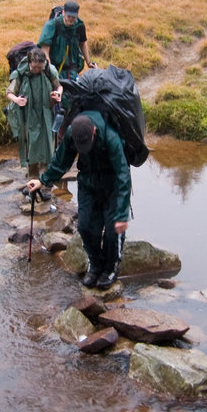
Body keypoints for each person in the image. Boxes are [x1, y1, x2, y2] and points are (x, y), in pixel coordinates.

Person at [26, 111, 131, 290]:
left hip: (112, 185)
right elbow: (61, 161)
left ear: (94, 131)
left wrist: (122, 214)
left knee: (113, 231)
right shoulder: (71, 133)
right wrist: (42, 180)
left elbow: (123, 175)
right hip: (88, 183)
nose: (84, 147)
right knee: (85, 226)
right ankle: (96, 265)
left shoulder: (111, 138)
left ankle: (111, 268)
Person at [6, 47, 63, 178]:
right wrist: (17, 100)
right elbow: (9, 92)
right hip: (28, 116)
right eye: (34, 68)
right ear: (29, 63)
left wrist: (58, 94)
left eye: (40, 68)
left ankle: (46, 180)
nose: (37, 70)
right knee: (30, 147)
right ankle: (32, 178)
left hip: (46, 115)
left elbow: (58, 86)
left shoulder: (49, 71)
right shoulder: (21, 73)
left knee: (48, 145)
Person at [37, 0, 96, 81]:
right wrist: (49, 67)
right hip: (55, 68)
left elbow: (82, 43)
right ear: (63, 12)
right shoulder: (52, 25)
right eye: (69, 16)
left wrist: (89, 62)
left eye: (74, 17)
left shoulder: (79, 26)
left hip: (72, 69)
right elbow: (44, 48)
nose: (71, 20)